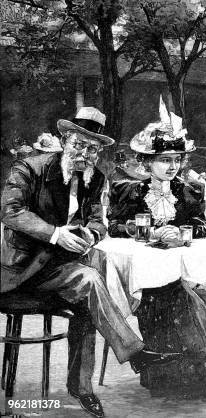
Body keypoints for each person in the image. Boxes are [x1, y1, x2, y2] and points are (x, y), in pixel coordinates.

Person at [1, 106, 181, 417]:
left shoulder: (96, 178)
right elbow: (11, 211)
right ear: (64, 140)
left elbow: (100, 222)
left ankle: (82, 389)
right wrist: (56, 234)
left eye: (93, 149)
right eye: (79, 145)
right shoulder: (29, 169)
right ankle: (135, 355)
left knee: (89, 290)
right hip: (22, 270)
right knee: (91, 280)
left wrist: (89, 234)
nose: (85, 154)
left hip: (62, 270)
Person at [106, 97, 206, 395]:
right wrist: (137, 229)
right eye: (164, 160)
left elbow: (201, 226)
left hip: (180, 268)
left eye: (177, 160)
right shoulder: (126, 190)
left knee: (183, 294)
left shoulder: (191, 190)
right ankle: (159, 374)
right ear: (146, 162)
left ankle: (193, 371)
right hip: (144, 271)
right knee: (158, 296)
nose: (172, 166)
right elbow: (114, 226)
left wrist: (181, 232)